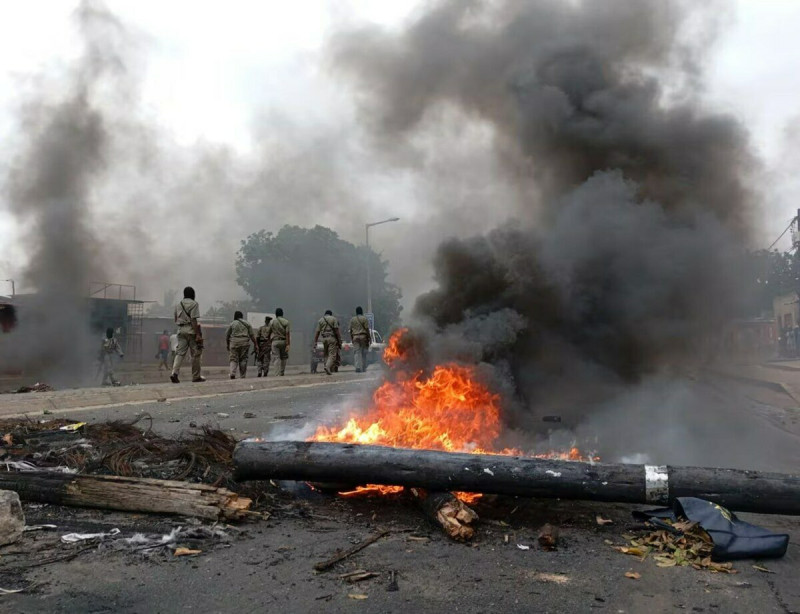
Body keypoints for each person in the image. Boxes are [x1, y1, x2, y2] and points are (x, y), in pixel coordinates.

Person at [170, 286, 205, 384]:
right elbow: (194, 320)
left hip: (181, 331)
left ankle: (174, 373)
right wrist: (197, 334)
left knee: (180, 353)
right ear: (192, 294)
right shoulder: (194, 304)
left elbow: (175, 318)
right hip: (191, 331)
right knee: (195, 354)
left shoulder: (178, 304)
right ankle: (196, 376)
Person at [227, 311, 257, 379]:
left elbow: (227, 335)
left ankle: (232, 373)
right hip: (244, 342)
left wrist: (227, 344)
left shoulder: (232, 324)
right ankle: (242, 376)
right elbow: (252, 335)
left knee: (233, 359)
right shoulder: (247, 324)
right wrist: (256, 344)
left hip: (234, 342)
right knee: (243, 359)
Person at [313, 309, 341, 376]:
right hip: (331, 338)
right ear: (331, 314)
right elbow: (337, 331)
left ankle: (326, 368)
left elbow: (317, 332)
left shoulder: (320, 320)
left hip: (324, 339)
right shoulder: (333, 319)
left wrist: (315, 342)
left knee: (326, 354)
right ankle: (327, 367)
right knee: (332, 355)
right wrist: (339, 340)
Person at [269, 308, 291, 376]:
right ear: (282, 314)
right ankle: (282, 372)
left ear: (276, 314)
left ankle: (276, 374)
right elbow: (287, 334)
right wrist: (288, 344)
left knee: (276, 358)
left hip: (275, 342)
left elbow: (269, 332)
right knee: (284, 357)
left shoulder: (272, 322)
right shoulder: (286, 322)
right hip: (284, 341)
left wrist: (269, 341)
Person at [349, 306, 371, 373]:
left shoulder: (352, 319)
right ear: (362, 311)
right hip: (363, 337)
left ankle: (357, 367)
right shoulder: (364, 319)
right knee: (364, 352)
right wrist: (369, 337)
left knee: (356, 352)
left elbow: (350, 330)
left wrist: (352, 338)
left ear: (356, 312)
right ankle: (364, 367)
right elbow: (367, 329)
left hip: (355, 337)